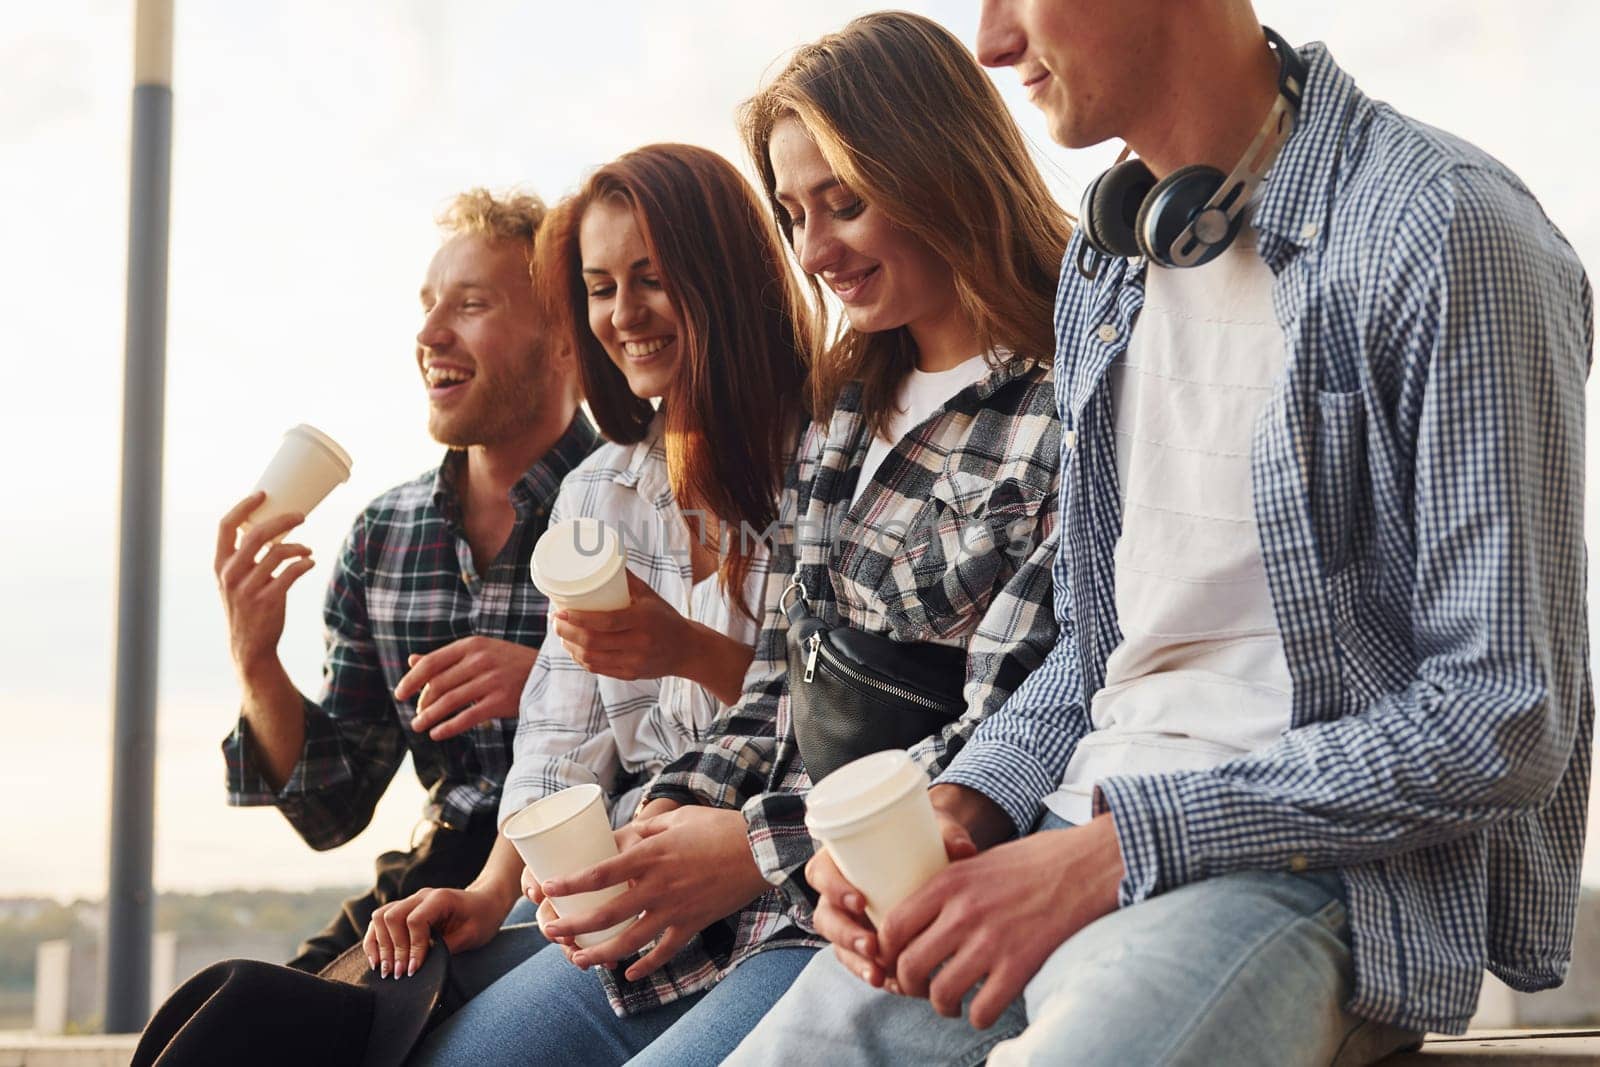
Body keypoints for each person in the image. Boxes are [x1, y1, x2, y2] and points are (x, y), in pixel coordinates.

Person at [735, 3, 1595, 1065]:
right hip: (1057, 832)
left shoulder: (1447, 229)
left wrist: (1115, 850)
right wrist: (968, 798)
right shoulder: (1108, 269)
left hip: (1306, 873)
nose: (993, 45)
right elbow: (1104, 655)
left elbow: (1501, 717)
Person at [427, 12, 1070, 1066]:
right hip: (729, 886)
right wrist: (669, 824)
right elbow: (785, 680)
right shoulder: (848, 403)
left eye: (843, 202)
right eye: (793, 214)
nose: (814, 250)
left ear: (935, 167)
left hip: (873, 896)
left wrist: (752, 843)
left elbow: (1006, 724)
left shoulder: (1065, 388)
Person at [393, 143, 814, 1064]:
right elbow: (557, 739)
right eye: (599, 287)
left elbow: (836, 715)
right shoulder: (597, 496)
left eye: (650, 278)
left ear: (726, 277)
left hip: (788, 890)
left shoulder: (826, 454)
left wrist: (686, 648)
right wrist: (490, 890)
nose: (624, 315)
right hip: (641, 900)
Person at [216, 189, 598, 974]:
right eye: (428, 305)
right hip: (437, 881)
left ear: (565, 339)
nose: (428, 335)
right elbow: (333, 808)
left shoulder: (643, 503)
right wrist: (256, 660)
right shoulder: (384, 536)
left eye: (471, 304)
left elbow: (713, 728)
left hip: (586, 873)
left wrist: (553, 681)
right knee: (229, 1025)